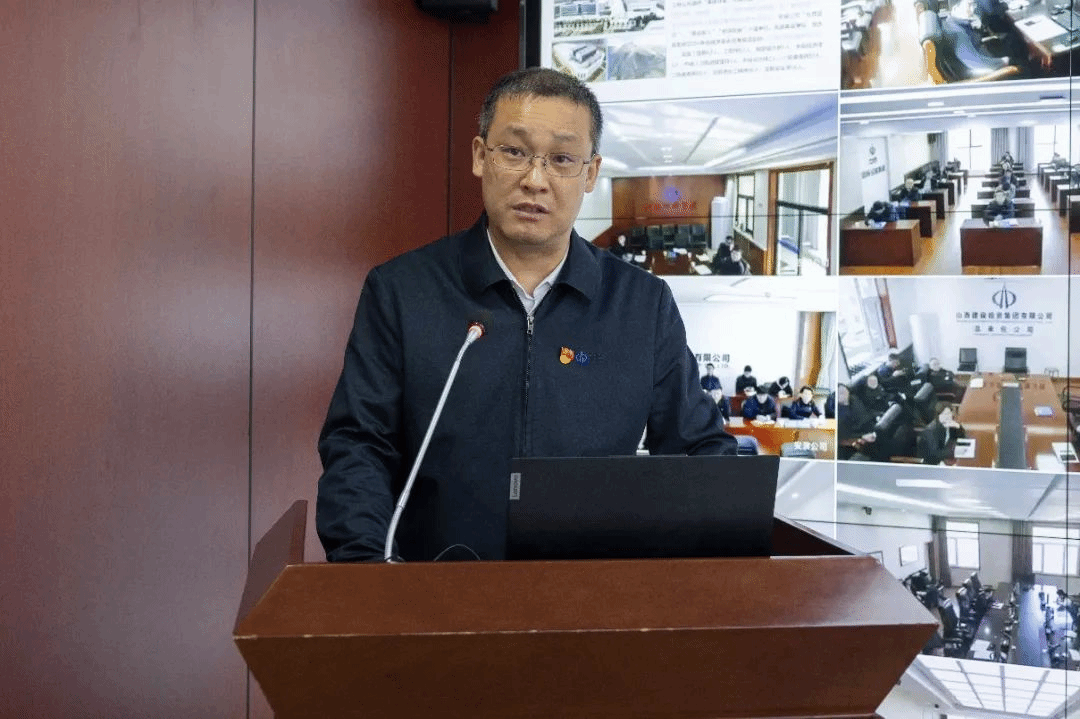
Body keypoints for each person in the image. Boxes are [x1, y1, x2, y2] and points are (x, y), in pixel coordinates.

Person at [316, 68, 737, 563]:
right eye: (515, 152)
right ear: (480, 156)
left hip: (589, 597)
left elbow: (696, 453)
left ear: (591, 173)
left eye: (561, 159)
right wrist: (366, 572)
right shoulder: (402, 291)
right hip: (432, 593)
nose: (535, 180)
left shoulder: (642, 305)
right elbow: (360, 448)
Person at [837, 383, 878, 461]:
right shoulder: (837, 413)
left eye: (844, 391)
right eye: (840, 393)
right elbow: (843, 438)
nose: (843, 394)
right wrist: (861, 437)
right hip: (854, 444)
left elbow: (866, 417)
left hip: (870, 432)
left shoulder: (855, 400)